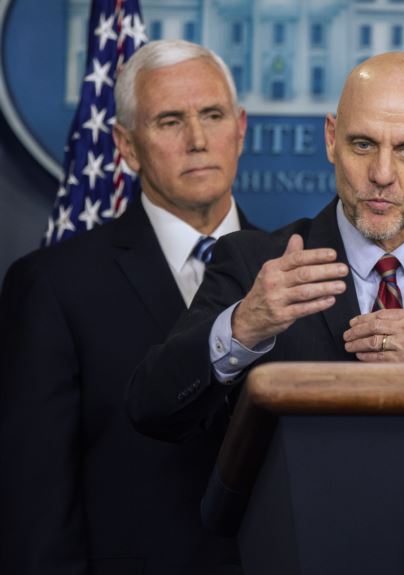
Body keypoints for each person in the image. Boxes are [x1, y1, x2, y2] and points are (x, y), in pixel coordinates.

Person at [126, 52, 404, 444]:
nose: (382, 174)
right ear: (332, 138)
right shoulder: (252, 265)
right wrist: (243, 326)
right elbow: (152, 408)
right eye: (363, 145)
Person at [0, 40, 252, 573]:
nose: (198, 140)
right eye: (170, 121)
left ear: (241, 129)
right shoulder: (54, 286)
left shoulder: (303, 272)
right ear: (126, 146)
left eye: (212, 115)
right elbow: (36, 509)